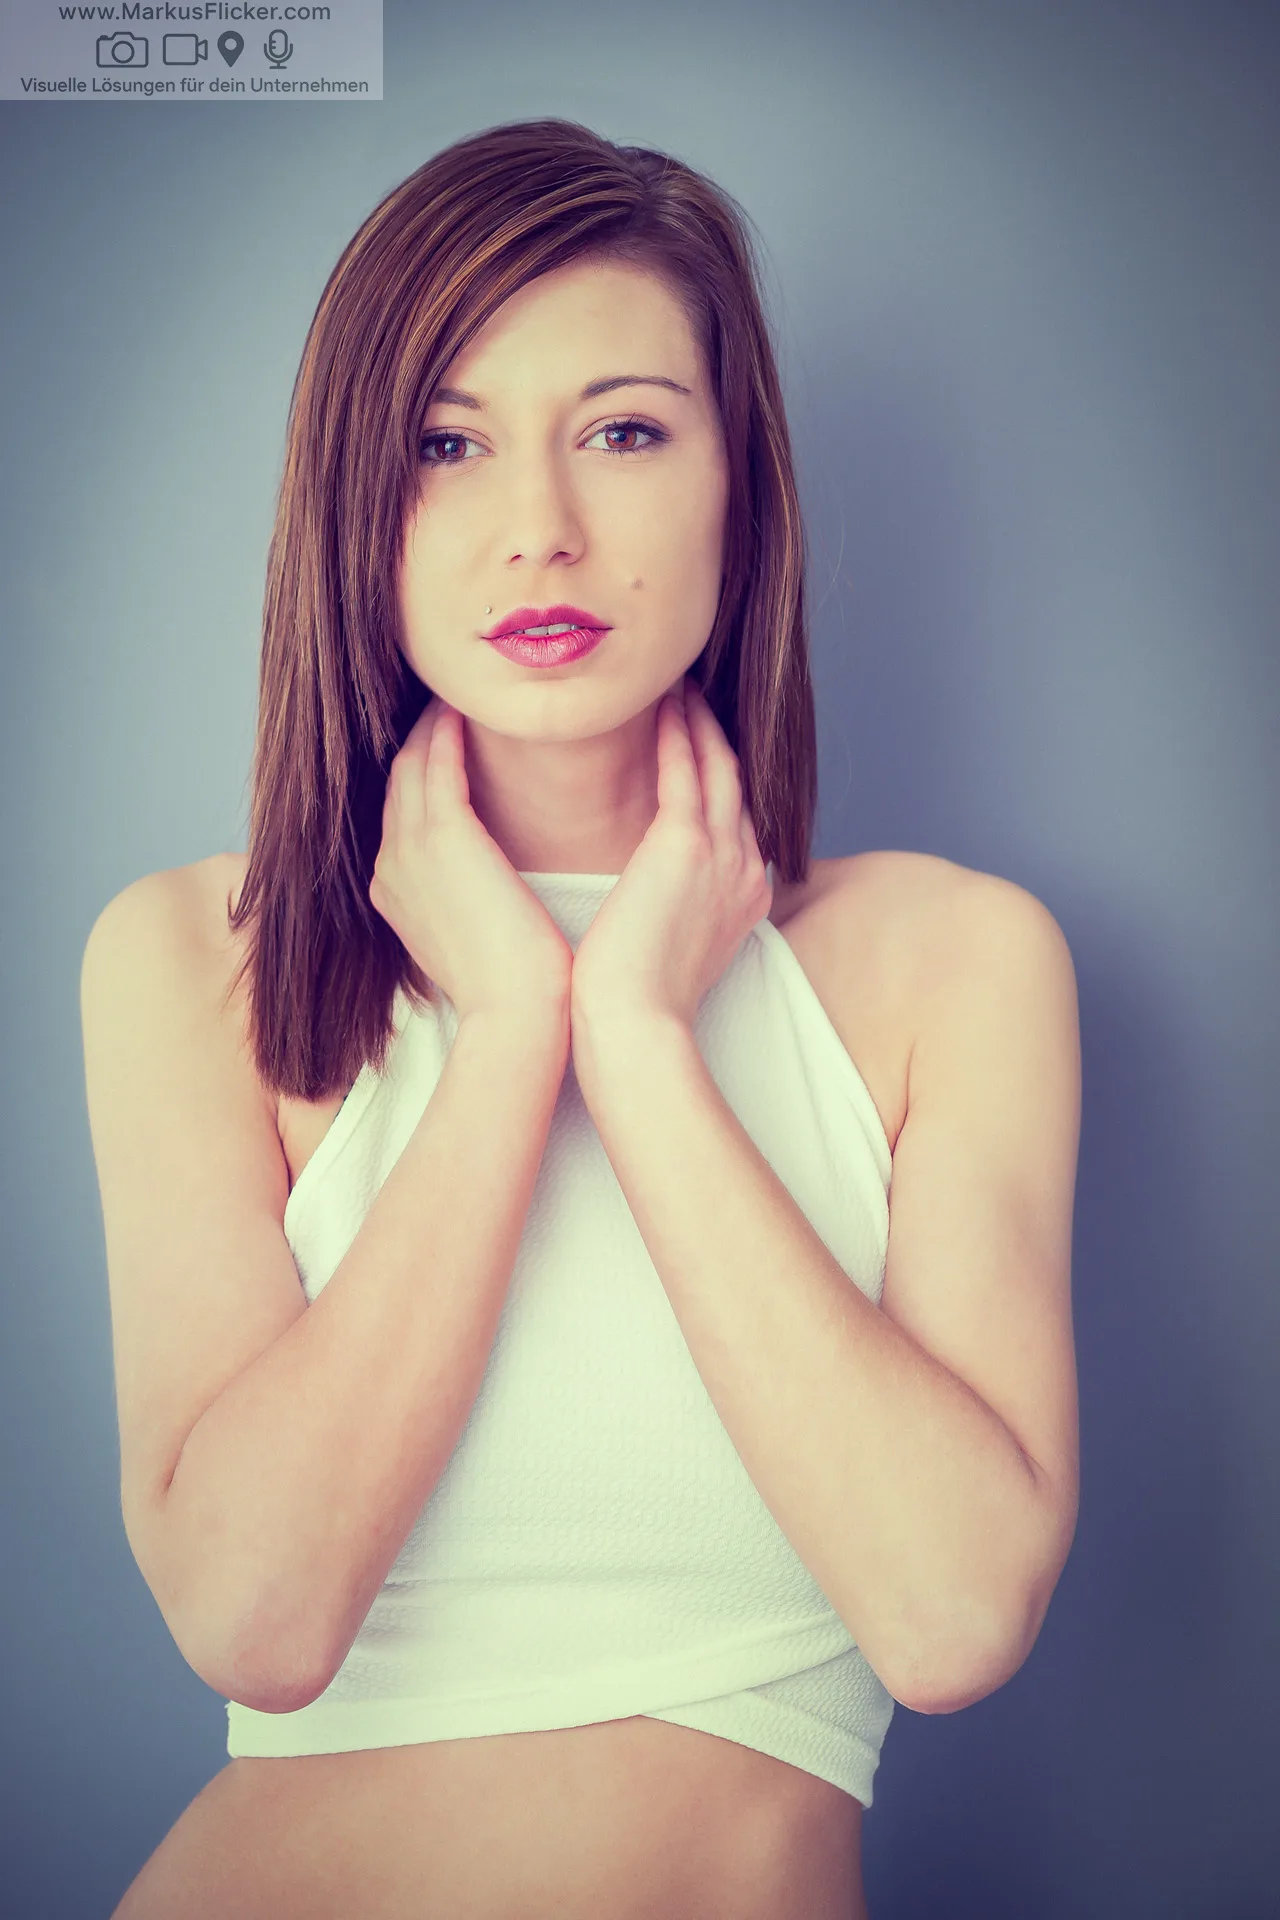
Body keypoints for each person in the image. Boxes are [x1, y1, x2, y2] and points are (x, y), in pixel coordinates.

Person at [80, 117, 1082, 1920]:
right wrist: (515, 1036)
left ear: (736, 487)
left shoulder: (953, 965)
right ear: (355, 505)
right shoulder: (184, 961)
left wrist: (636, 1034)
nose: (538, 527)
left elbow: (951, 1619)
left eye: (623, 431)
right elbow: (254, 1618)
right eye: (447, 444)